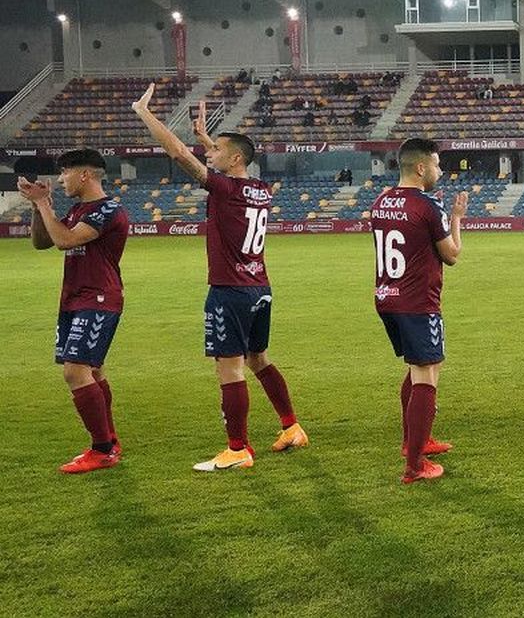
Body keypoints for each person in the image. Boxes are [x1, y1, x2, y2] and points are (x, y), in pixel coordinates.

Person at [134, 89, 308, 471]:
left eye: (215, 152)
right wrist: (207, 138)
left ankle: (237, 449)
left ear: (234, 159)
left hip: (229, 290)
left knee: (229, 368)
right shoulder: (260, 190)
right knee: (259, 359)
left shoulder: (226, 189)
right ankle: (291, 426)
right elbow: (231, 158)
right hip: (259, 286)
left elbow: (179, 155)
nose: (208, 155)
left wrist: (144, 113)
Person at [20, 150, 129, 473]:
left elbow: (65, 241)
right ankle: (109, 439)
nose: (61, 179)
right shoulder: (80, 209)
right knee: (93, 372)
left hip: (98, 298)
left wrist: (44, 204)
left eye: (65, 173)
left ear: (85, 175)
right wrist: (40, 208)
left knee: (75, 371)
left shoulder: (108, 209)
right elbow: (43, 242)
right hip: (74, 298)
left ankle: (102, 449)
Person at [370, 138, 467, 483]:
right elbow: (452, 255)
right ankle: (414, 465)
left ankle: (414, 440)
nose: (440, 172)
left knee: (418, 366)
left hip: (387, 297)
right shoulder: (427, 206)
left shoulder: (381, 202)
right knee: (427, 373)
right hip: (418, 301)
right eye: (438, 165)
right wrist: (456, 219)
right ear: (422, 167)